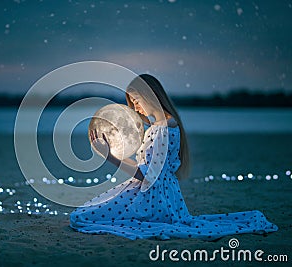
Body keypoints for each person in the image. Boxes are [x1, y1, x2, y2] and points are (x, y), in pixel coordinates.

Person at [69, 74, 278, 241]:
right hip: (162, 195)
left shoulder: (162, 129)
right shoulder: (161, 126)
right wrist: (109, 153)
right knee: (86, 214)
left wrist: (110, 158)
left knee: (82, 217)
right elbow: (146, 170)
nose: (135, 106)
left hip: (152, 199)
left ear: (151, 95)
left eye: (137, 99)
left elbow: (146, 177)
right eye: (131, 101)